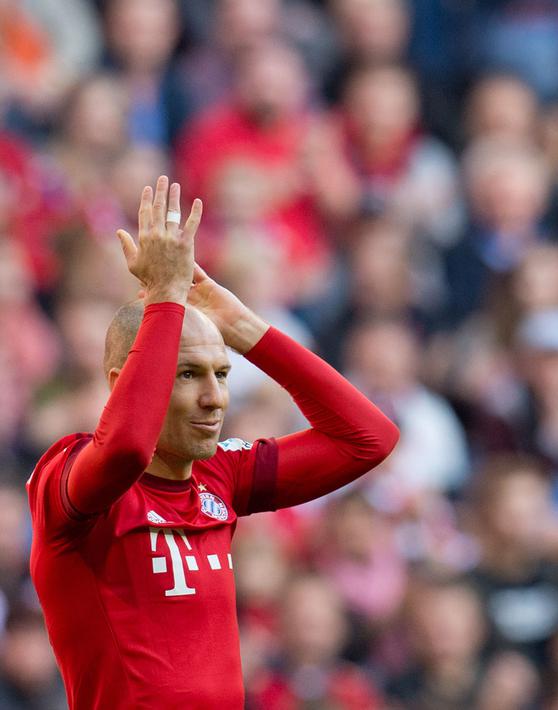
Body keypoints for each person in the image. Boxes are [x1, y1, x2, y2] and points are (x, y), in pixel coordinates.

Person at [25, 177, 399, 708]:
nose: (214, 398)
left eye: (221, 374)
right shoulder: (67, 479)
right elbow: (128, 449)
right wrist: (165, 298)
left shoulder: (219, 474)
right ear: (119, 383)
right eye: (187, 374)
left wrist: (243, 327)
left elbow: (368, 439)